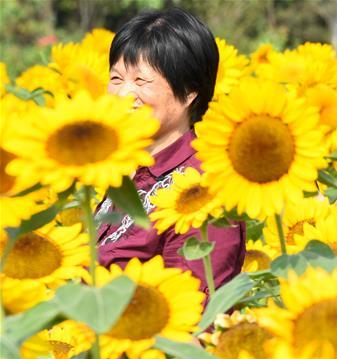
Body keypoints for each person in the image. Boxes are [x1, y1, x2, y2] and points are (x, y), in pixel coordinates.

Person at [97, 7, 245, 294]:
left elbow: (191, 313)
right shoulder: (118, 170)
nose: (124, 95)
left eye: (141, 81)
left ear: (189, 92)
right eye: (116, 79)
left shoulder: (205, 189)